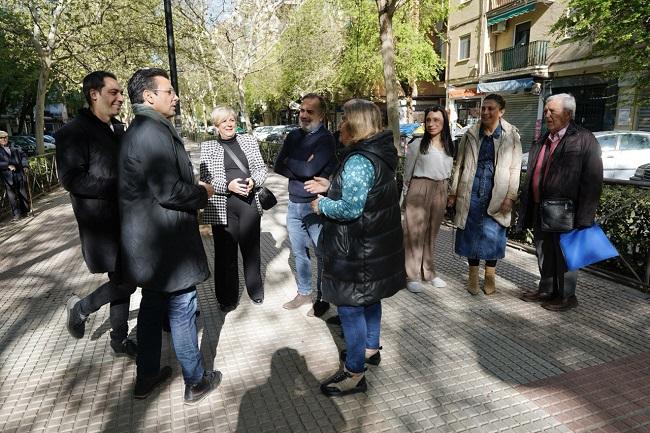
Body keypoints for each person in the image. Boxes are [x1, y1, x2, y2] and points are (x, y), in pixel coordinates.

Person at [118, 68, 221, 403]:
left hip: (152, 246)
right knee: (182, 308)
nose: (175, 96)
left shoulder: (146, 129)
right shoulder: (151, 132)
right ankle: (195, 380)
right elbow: (169, 191)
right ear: (149, 96)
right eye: (169, 91)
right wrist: (202, 191)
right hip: (167, 246)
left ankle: (147, 376)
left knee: (152, 307)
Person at [307, 99, 405, 396]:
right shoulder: (379, 153)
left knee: (350, 308)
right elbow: (366, 193)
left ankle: (354, 373)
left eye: (343, 119)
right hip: (372, 246)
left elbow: (351, 208)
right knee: (370, 298)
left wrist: (322, 203)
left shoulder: (359, 160)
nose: (339, 125)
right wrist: (333, 185)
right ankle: (370, 349)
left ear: (355, 125)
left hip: (356, 250)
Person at [55, 71, 136, 358]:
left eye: (120, 93)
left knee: (123, 282)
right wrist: (119, 187)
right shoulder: (72, 132)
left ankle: (119, 340)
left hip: (129, 220)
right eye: (113, 92)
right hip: (101, 226)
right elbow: (72, 179)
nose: (120, 98)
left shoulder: (118, 129)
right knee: (126, 281)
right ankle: (82, 308)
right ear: (94, 94)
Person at [518, 93, 603, 312]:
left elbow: (593, 180)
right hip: (540, 206)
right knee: (544, 250)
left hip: (566, 210)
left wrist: (585, 216)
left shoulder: (584, 138)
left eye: (552, 111)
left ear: (567, 113)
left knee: (564, 255)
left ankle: (566, 296)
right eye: (546, 110)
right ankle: (546, 289)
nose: (547, 115)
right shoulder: (544, 138)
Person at [448, 94, 522, 296]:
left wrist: (510, 196)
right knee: (470, 232)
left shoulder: (511, 135)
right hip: (470, 190)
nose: (486, 112)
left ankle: (489, 275)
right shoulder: (470, 134)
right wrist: (453, 192)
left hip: (496, 192)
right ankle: (473, 276)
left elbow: (515, 169)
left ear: (501, 112)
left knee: (494, 234)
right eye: (484, 108)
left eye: (491, 109)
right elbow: (459, 165)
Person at [200, 106, 268, 311]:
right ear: (216, 125)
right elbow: (206, 178)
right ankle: (227, 298)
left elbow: (261, 168)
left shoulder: (248, 140)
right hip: (222, 206)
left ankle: (255, 291)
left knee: (252, 251)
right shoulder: (208, 146)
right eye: (224, 122)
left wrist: (253, 181)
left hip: (248, 203)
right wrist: (227, 186)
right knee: (225, 255)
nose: (229, 124)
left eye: (232, 120)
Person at [274, 93, 336, 316]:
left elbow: (310, 171)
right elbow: (278, 166)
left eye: (310, 111)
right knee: (299, 253)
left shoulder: (326, 139)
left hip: (315, 205)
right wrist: (300, 163)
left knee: (321, 253)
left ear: (321, 114)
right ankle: (304, 292)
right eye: (302, 110)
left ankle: (323, 297)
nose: (304, 115)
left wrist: (294, 162)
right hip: (293, 204)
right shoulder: (293, 136)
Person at [402, 106, 455, 293]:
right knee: (414, 233)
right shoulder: (417, 144)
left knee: (432, 233)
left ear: (444, 123)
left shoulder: (450, 146)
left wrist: (449, 193)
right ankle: (411, 275)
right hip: (419, 187)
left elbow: (450, 171)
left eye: (436, 120)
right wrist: (404, 197)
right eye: (428, 120)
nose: (431, 124)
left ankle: (429, 272)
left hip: (441, 188)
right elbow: (406, 174)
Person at [0, 130, 30, 220]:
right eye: (1, 138)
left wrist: (25, 165)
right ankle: (16, 214)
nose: (4, 139)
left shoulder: (15, 146)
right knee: (12, 196)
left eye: (5, 137)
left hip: (19, 173)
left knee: (22, 192)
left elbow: (23, 155)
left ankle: (25, 211)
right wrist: (7, 166)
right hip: (7, 175)